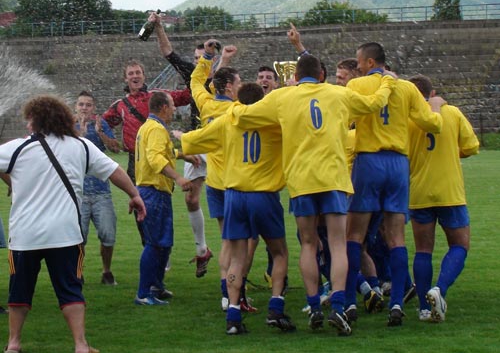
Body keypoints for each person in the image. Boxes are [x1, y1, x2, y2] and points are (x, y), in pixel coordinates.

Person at [228, 54, 397, 336]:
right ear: (321, 74)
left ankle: (314, 306)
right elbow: (374, 104)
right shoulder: (339, 94)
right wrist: (387, 83)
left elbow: (244, 115)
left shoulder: (283, 97)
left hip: (301, 180)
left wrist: (231, 106)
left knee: (308, 244)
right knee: (337, 244)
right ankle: (340, 306)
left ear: (296, 77)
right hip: (332, 178)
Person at [0, 94, 146, 353]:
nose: (26, 125)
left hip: (25, 236)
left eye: (29, 120)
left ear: (36, 121)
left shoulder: (16, 149)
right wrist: (134, 195)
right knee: (71, 291)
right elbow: (114, 171)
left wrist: (10, 180)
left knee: (19, 291)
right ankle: (80, 345)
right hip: (65, 235)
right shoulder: (80, 146)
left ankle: (13, 344)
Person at [181, 82, 295, 334]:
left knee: (237, 256)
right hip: (264, 195)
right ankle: (276, 307)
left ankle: (233, 314)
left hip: (234, 196)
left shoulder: (226, 120)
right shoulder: (274, 124)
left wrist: (179, 136)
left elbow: (192, 142)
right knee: (279, 252)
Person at [344, 42, 444, 327]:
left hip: (369, 161)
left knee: (355, 235)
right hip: (398, 164)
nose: (358, 66)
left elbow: (346, 120)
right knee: (396, 237)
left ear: (370, 61)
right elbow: (431, 124)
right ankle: (397, 302)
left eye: (360, 62)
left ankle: (350, 302)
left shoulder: (359, 85)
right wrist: (436, 108)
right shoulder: (408, 88)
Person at [407, 74, 479, 322]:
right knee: (459, 245)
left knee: (423, 250)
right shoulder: (452, 113)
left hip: (419, 191)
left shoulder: (408, 119)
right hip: (450, 191)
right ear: (432, 91)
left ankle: (424, 309)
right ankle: (439, 290)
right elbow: (471, 147)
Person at [149, 12, 213, 277]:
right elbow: (167, 51)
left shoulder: (223, 78)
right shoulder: (192, 75)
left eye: (203, 58)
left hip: (222, 141)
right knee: (191, 198)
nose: (198, 62)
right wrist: (158, 27)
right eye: (196, 59)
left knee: (233, 198)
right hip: (198, 140)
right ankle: (202, 250)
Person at [189, 40, 241, 311]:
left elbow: (197, 79)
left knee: (225, 240)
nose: (241, 86)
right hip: (234, 183)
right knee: (239, 243)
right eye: (239, 82)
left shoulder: (206, 104)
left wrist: (209, 55)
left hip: (213, 181)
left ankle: (225, 293)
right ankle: (235, 293)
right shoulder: (238, 111)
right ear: (230, 87)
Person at [134, 91, 197, 305]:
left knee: (164, 243)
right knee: (155, 243)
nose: (174, 109)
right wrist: (179, 177)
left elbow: (162, 151)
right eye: (171, 106)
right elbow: (155, 158)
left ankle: (156, 286)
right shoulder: (157, 129)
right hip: (153, 192)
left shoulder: (147, 127)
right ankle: (143, 293)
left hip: (152, 191)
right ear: (163, 107)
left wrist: (183, 155)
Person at [75, 91, 121, 285]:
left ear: (93, 108)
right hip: (78, 192)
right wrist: (80, 135)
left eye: (88, 105)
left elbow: (116, 148)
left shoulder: (101, 125)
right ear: (76, 107)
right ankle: (78, 272)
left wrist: (101, 133)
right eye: (81, 104)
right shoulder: (68, 127)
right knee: (78, 238)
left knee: (108, 235)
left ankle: (106, 271)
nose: (84, 108)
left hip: (102, 191)